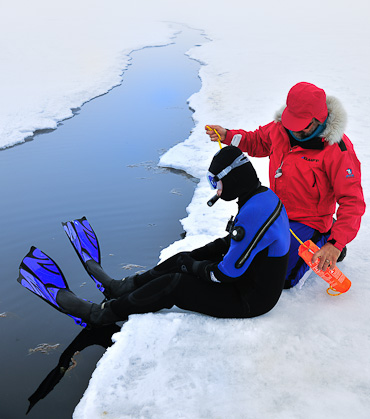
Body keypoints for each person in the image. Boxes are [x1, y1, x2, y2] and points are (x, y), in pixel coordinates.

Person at [18, 146, 290, 327]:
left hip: (250, 299)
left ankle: (101, 314)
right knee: (185, 258)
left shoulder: (255, 212)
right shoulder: (261, 197)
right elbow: (232, 243)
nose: (215, 189)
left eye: (215, 182)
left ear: (232, 179)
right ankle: (119, 287)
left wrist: (193, 268)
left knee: (176, 284)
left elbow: (225, 274)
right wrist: (192, 259)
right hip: (248, 279)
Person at [206, 82, 366, 288]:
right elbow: (256, 141)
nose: (294, 130)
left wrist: (335, 245)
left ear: (319, 119)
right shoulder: (280, 129)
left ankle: (327, 235)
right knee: (243, 257)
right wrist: (227, 135)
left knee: (278, 277)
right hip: (277, 212)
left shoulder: (338, 151)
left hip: (311, 221)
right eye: (292, 123)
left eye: (301, 125)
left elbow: (352, 201)